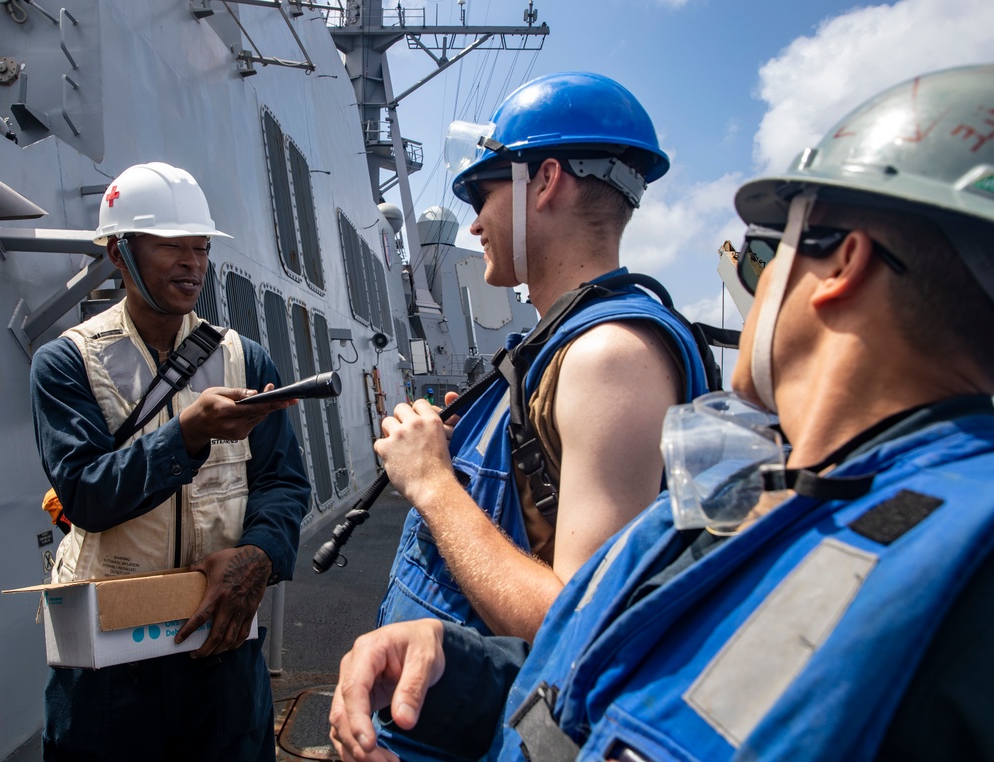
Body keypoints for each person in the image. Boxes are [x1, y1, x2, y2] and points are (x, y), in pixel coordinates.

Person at [330, 64, 994, 761]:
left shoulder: (610, 353)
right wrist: (451, 669)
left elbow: (563, 615)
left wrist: (433, 485)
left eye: (765, 255)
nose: (744, 281)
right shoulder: (798, 494)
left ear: (844, 265)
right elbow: (602, 674)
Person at [375, 72, 711, 645]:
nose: (475, 222)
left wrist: (431, 482)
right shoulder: (557, 347)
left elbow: (578, 630)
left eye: (483, 194)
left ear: (545, 182)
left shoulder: (610, 358)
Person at [30, 162, 311, 760]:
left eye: (202, 248)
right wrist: (186, 434)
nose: (193, 263)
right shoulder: (65, 364)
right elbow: (85, 495)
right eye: (171, 246)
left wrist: (258, 557)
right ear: (119, 252)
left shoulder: (246, 358)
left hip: (222, 640)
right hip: (109, 663)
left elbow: (283, 482)